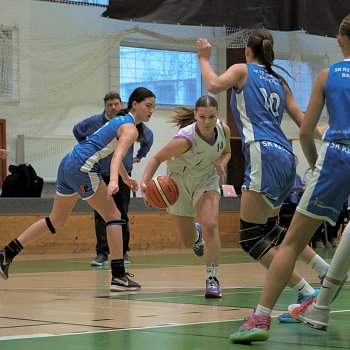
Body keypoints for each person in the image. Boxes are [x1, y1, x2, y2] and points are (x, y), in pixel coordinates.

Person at [228, 15, 350, 342]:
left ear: (339, 40)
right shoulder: (278, 82)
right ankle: (320, 299)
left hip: (335, 158)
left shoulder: (329, 75)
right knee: (279, 231)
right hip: (286, 158)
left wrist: (314, 168)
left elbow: (307, 131)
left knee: (285, 240)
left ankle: (263, 317)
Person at [197, 29, 330, 322]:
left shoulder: (242, 69)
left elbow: (213, 84)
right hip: (286, 157)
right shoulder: (280, 82)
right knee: (270, 230)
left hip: (263, 154)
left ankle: (307, 292)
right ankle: (322, 270)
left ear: (248, 51)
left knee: (249, 238)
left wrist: (204, 58)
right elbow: (305, 121)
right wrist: (328, 132)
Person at [0, 87, 156, 292]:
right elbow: (117, 156)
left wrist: (125, 178)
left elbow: (110, 154)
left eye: (153, 106)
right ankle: (119, 276)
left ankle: (8, 252)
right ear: (135, 104)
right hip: (83, 168)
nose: (151, 110)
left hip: (68, 164)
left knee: (56, 219)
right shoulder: (130, 128)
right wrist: (115, 182)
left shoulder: (119, 121)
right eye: (148, 106)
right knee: (114, 216)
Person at [141, 95, 231, 298]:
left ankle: (212, 278)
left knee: (210, 224)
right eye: (202, 117)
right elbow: (156, 158)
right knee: (187, 240)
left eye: (211, 117)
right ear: (195, 116)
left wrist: (221, 165)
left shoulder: (223, 129)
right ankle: (196, 235)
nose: (207, 122)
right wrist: (145, 184)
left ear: (218, 115)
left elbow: (227, 152)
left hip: (206, 180)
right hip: (179, 184)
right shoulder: (185, 139)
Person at [73, 91, 153, 266]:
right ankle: (102, 253)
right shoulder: (104, 122)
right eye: (110, 104)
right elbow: (77, 130)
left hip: (119, 174)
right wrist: (86, 147)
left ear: (121, 104)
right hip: (98, 172)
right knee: (103, 214)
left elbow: (148, 139)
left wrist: (138, 157)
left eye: (116, 104)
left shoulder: (129, 124)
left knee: (120, 213)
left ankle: (122, 252)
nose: (114, 107)